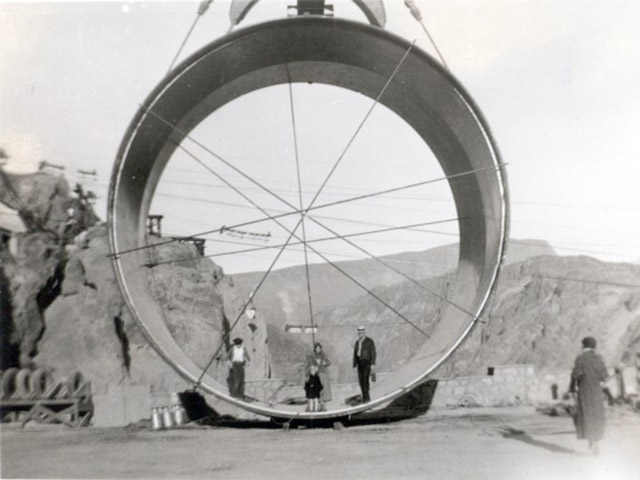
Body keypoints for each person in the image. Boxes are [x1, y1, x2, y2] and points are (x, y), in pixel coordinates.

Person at [570, 336, 608, 455]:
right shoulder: (598, 358)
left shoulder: (580, 358)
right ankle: (595, 444)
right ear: (594, 347)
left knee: (586, 416)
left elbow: (575, 375)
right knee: (596, 416)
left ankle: (591, 445)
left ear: (583, 346)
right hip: (596, 391)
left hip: (584, 391)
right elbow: (604, 376)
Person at [353, 325, 376, 403]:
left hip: (366, 362)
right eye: (359, 333)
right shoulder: (357, 342)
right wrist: (354, 364)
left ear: (364, 333)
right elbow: (355, 354)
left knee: (365, 380)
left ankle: (367, 398)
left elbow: (373, 352)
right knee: (361, 381)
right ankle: (364, 397)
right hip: (360, 363)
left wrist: (372, 363)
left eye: (362, 333)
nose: (360, 334)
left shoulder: (369, 341)